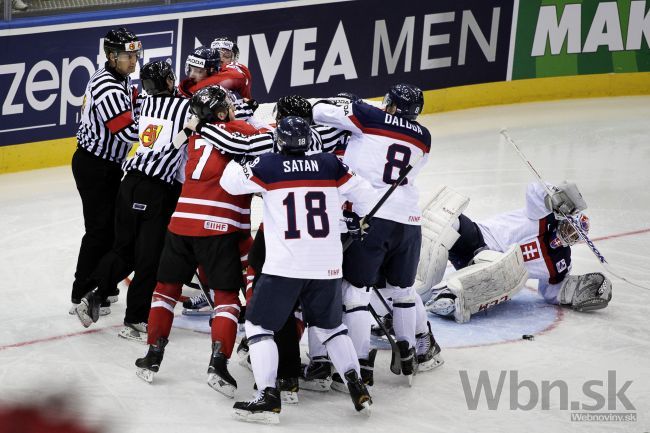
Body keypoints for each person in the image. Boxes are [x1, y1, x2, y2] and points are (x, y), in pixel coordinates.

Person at [219, 116, 377, 423]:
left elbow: (230, 183)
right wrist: (352, 220)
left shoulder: (268, 166)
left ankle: (267, 396)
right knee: (332, 328)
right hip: (328, 266)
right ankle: (357, 387)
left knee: (258, 326)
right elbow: (366, 196)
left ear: (280, 141)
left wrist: (236, 160)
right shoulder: (331, 165)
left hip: (285, 266)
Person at [133, 86, 266, 398]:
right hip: (219, 228)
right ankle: (218, 364)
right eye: (229, 108)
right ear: (221, 114)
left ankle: (152, 356)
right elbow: (261, 135)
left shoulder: (194, 136)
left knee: (164, 291)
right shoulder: (238, 131)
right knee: (226, 299)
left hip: (180, 224)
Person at [311, 84, 442, 384]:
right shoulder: (424, 137)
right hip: (409, 220)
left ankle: (362, 366)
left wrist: (351, 104)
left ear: (390, 104)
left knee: (356, 293)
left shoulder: (368, 116)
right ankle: (409, 348)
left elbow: (318, 109)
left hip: (372, 218)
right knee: (403, 291)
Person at [74, 60, 190, 342]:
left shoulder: (146, 105)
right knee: (149, 259)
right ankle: (135, 319)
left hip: (130, 186)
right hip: (155, 190)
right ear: (167, 82)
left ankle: (94, 293)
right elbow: (204, 114)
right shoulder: (183, 108)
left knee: (123, 250)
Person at [423, 182, 613, 322]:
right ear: (563, 219)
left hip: (490, 273)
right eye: (569, 228)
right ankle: (410, 273)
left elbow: (551, 291)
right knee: (447, 221)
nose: (569, 235)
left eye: (574, 236)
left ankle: (449, 298)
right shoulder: (542, 215)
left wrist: (575, 291)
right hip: (479, 238)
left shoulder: (560, 262)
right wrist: (556, 196)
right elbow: (535, 190)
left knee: (502, 270)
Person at [70, 27, 141, 316]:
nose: (134, 60)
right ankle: (80, 293)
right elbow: (126, 131)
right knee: (99, 231)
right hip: (94, 167)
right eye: (128, 55)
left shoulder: (119, 78)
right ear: (112, 57)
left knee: (111, 227)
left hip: (106, 166)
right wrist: (163, 131)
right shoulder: (108, 86)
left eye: (136, 54)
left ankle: (103, 286)